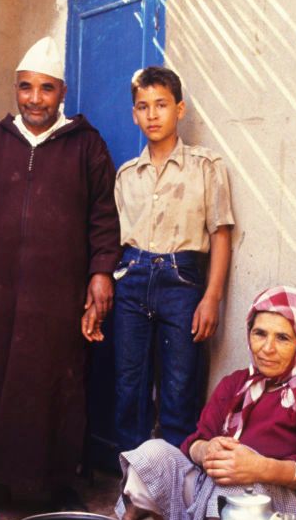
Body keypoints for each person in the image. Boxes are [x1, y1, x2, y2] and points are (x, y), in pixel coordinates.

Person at [0, 36, 121, 508]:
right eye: (25, 88)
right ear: (15, 89)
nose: (34, 99)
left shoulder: (87, 145)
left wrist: (101, 272)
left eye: (45, 89)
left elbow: (104, 216)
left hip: (57, 294)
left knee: (53, 382)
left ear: (61, 93)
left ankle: (53, 485)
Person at [116, 285, 296, 520]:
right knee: (154, 453)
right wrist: (206, 450)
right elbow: (195, 440)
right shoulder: (236, 383)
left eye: (283, 338)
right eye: (260, 334)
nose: (267, 348)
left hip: (294, 511)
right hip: (220, 493)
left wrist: (259, 468)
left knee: (236, 483)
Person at [94, 65, 234, 450]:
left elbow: (220, 233)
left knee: (179, 384)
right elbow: (114, 240)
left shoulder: (206, 167)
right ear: (134, 114)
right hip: (133, 278)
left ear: (180, 109)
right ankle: (133, 488)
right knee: (129, 386)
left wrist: (212, 297)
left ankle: (175, 489)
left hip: (183, 282)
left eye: (161, 105)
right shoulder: (126, 175)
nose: (152, 115)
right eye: (143, 106)